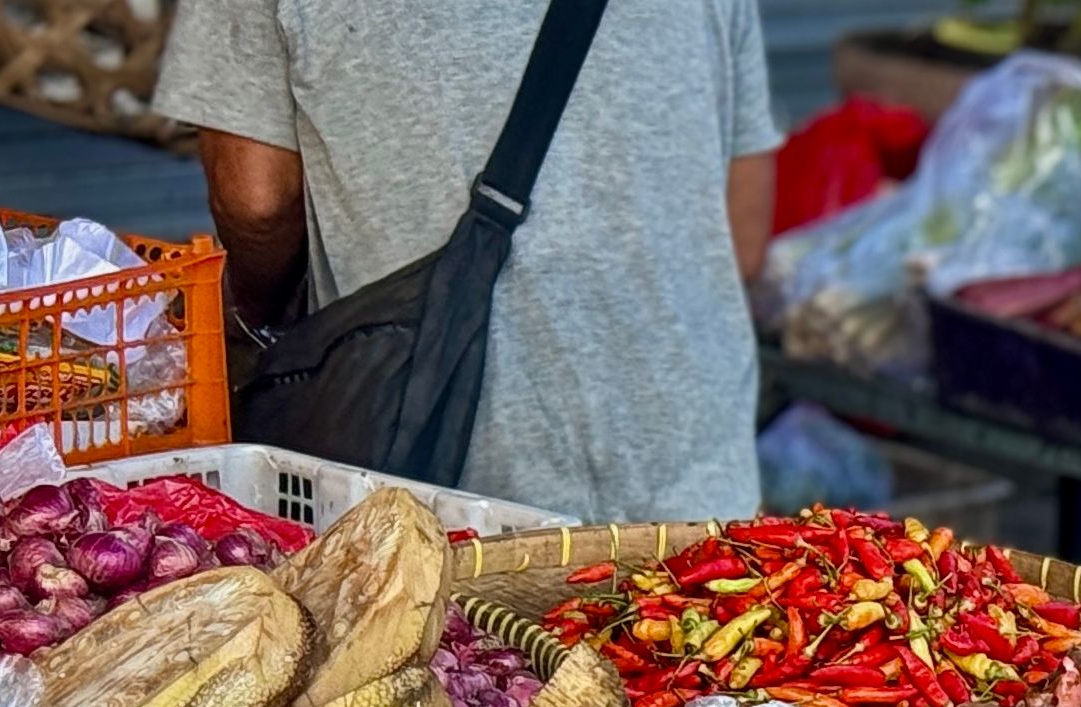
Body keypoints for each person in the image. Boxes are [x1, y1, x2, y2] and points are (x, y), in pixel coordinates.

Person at [156, 0, 783, 525]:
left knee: (480, 674)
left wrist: (258, 329)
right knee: (706, 663)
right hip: (699, 490)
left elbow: (257, 200)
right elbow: (745, 236)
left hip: (452, 500)